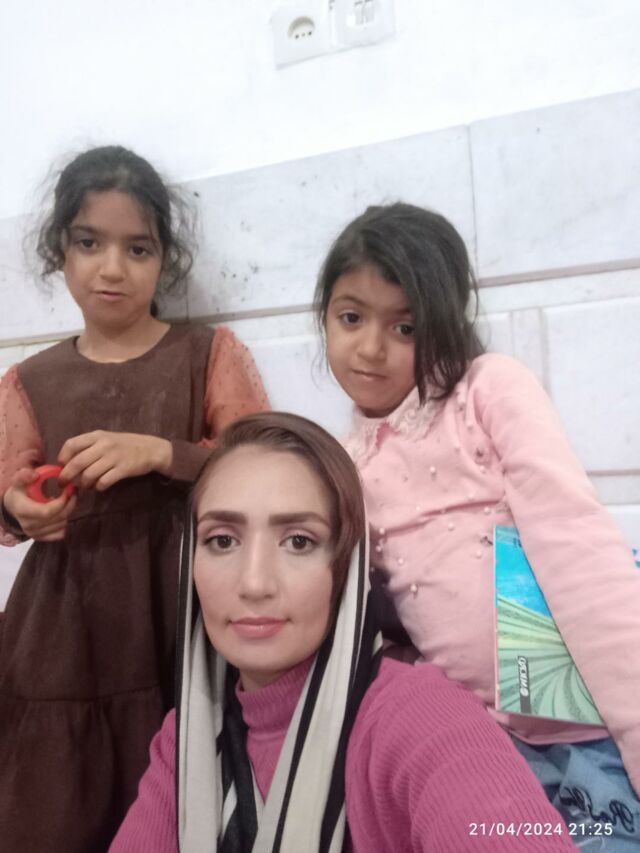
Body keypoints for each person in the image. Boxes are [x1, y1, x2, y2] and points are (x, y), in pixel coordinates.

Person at [313, 201, 640, 847]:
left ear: (444, 324)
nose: (371, 347)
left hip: (594, 728)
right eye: (351, 317)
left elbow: (579, 549)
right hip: (487, 744)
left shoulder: (487, 390)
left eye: (405, 327)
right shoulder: (343, 465)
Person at [111, 411, 577, 852]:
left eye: (299, 541)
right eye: (222, 540)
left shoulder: (419, 716)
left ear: (346, 568)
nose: (254, 583)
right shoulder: (187, 737)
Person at [0, 145, 269, 852]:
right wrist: (21, 509)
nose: (112, 268)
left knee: (184, 800)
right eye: (89, 243)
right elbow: (8, 488)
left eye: (137, 248)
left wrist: (162, 453)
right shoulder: (28, 379)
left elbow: (264, 465)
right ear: (59, 252)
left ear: (164, 259)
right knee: (57, 810)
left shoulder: (207, 354)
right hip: (63, 632)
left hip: (179, 615)